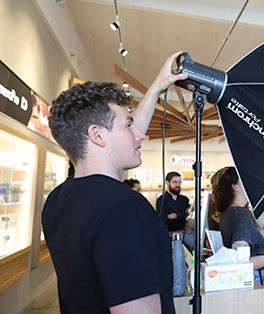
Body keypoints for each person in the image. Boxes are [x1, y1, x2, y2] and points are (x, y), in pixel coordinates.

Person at [42, 52, 188, 314]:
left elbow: (122, 138)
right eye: (129, 124)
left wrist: (156, 87)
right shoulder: (123, 209)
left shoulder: (58, 200)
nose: (139, 134)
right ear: (96, 135)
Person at [214, 166, 264, 314]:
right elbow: (241, 262)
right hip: (254, 280)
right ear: (235, 187)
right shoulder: (241, 213)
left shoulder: (226, 213)